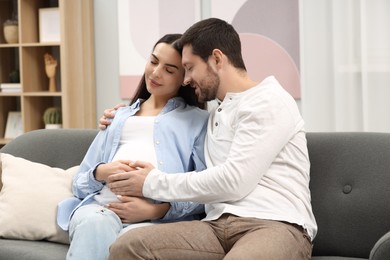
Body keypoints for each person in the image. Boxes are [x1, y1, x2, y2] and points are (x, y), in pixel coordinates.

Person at [102, 18, 317, 259]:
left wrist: (151, 182)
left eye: (190, 67)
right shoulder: (213, 116)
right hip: (214, 227)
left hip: (273, 224)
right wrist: (120, 118)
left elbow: (235, 181)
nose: (185, 79)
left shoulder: (269, 101)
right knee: (128, 246)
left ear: (216, 59)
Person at [56, 34, 209, 260]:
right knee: (95, 224)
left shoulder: (197, 121)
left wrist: (157, 211)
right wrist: (101, 172)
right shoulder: (117, 117)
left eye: (169, 70)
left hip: (154, 221)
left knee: (131, 243)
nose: (156, 73)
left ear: (184, 78)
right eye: (154, 61)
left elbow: (206, 190)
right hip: (100, 209)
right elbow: (79, 185)